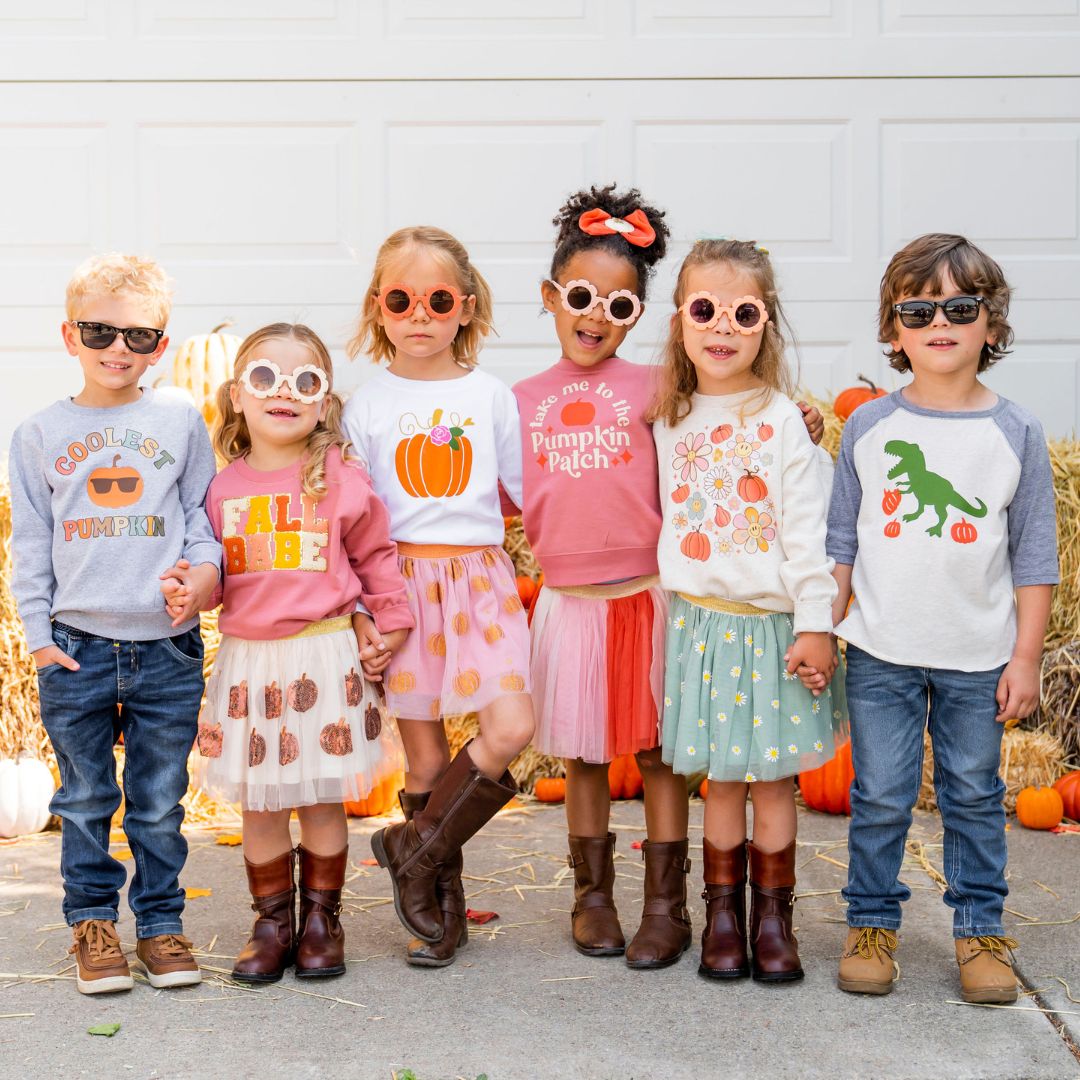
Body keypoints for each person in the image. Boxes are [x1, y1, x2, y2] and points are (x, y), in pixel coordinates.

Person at [827, 234, 1058, 1003]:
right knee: (882, 794)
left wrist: (1024, 657)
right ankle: (870, 923)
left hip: (978, 657)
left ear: (991, 325)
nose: (939, 322)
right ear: (894, 332)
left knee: (972, 795)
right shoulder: (868, 429)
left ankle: (981, 932)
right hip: (882, 653)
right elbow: (840, 545)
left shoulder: (1014, 432)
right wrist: (820, 631)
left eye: (961, 306)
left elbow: (1033, 559)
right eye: (917, 309)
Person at [171, 322, 412, 983]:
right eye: (265, 379)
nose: (285, 393)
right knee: (262, 803)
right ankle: (271, 921)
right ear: (237, 396)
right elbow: (214, 573)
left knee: (321, 801)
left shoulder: (339, 477)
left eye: (304, 381)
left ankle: (321, 920)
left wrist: (388, 621)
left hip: (322, 659)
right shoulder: (221, 490)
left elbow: (374, 557)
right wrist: (194, 589)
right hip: (252, 663)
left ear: (324, 400)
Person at [9, 253, 220, 993]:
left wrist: (201, 579)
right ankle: (93, 925)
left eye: (139, 336)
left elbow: (201, 517)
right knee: (86, 799)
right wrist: (37, 639)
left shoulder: (178, 418)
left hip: (165, 646)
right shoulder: (38, 433)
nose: (118, 349)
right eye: (100, 330)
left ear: (161, 345)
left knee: (160, 803)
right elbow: (30, 543)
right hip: (76, 646)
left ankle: (161, 925)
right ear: (69, 335)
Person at [651, 238, 845, 982]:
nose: (722, 327)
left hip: (772, 632)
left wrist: (815, 625)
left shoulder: (781, 421)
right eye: (705, 310)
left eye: (743, 312)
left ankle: (773, 920)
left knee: (772, 782)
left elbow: (806, 531)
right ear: (679, 322)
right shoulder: (668, 417)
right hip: (699, 627)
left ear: (767, 323)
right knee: (721, 782)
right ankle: (721, 918)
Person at [342, 227, 533, 967]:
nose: (419, 314)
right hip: (402, 587)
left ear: (466, 308)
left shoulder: (489, 397)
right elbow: (352, 519)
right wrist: (362, 609)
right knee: (423, 760)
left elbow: (524, 494)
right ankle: (439, 907)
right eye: (401, 299)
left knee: (511, 723)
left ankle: (412, 849)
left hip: (480, 582)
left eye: (438, 300)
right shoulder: (365, 405)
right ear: (379, 309)